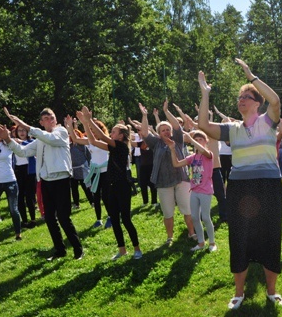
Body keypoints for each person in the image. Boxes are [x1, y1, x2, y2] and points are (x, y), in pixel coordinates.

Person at [197, 60, 282, 310]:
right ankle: (239, 293)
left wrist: (251, 76)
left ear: (257, 103)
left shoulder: (268, 121)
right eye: (240, 97)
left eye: (247, 96)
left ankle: (271, 291)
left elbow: (276, 101)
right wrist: (205, 94)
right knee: (239, 237)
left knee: (270, 235)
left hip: (267, 185)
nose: (241, 100)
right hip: (239, 188)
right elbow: (203, 126)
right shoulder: (231, 129)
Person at [0, 107, 84, 260]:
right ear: (41, 122)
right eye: (46, 118)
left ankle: (78, 249)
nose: (50, 120)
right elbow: (22, 152)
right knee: (49, 218)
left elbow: (50, 139)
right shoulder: (40, 139)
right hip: (46, 181)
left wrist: (25, 125)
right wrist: (7, 139)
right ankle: (60, 250)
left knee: (63, 217)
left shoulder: (61, 132)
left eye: (52, 117)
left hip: (61, 179)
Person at [74, 108, 143, 260]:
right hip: (111, 187)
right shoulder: (113, 147)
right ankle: (122, 250)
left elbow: (100, 136)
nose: (111, 133)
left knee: (126, 219)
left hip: (122, 187)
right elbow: (92, 141)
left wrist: (89, 120)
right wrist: (85, 123)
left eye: (113, 131)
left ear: (121, 136)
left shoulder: (122, 147)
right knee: (115, 219)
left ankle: (137, 249)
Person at [137, 100, 196, 245]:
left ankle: (192, 233)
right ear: (158, 133)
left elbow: (176, 125)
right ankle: (170, 237)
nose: (166, 132)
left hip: (181, 179)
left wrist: (166, 111)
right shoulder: (155, 143)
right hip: (163, 182)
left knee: (187, 209)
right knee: (168, 212)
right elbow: (144, 132)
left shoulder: (178, 139)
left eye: (167, 129)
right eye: (162, 130)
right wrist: (144, 115)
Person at [168, 130, 217, 252]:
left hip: (205, 190)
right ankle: (201, 243)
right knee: (195, 217)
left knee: (205, 217)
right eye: (197, 139)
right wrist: (172, 149)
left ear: (206, 141)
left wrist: (191, 138)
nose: (199, 141)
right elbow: (176, 164)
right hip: (194, 190)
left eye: (201, 139)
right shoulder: (192, 157)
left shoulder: (208, 154)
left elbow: (202, 149)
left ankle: (212, 243)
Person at [70, 119, 110, 228]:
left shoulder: (106, 141)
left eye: (93, 129)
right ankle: (98, 220)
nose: (91, 132)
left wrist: (87, 121)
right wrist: (69, 125)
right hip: (94, 172)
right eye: (91, 130)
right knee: (96, 197)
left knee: (106, 197)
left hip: (105, 172)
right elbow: (75, 138)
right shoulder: (90, 141)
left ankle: (110, 217)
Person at [12, 124, 38, 228]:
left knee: (30, 197)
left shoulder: (31, 142)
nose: (22, 132)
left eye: (24, 130)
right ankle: (24, 220)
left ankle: (32, 219)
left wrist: (20, 142)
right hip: (18, 170)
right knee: (20, 197)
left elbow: (28, 145)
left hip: (29, 170)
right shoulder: (14, 142)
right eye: (19, 131)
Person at [69, 128, 94, 209]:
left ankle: (92, 201)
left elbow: (88, 156)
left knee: (86, 187)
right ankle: (76, 204)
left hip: (82, 169)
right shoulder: (69, 147)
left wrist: (89, 166)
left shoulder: (82, 146)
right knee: (74, 188)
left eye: (76, 134)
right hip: (73, 170)